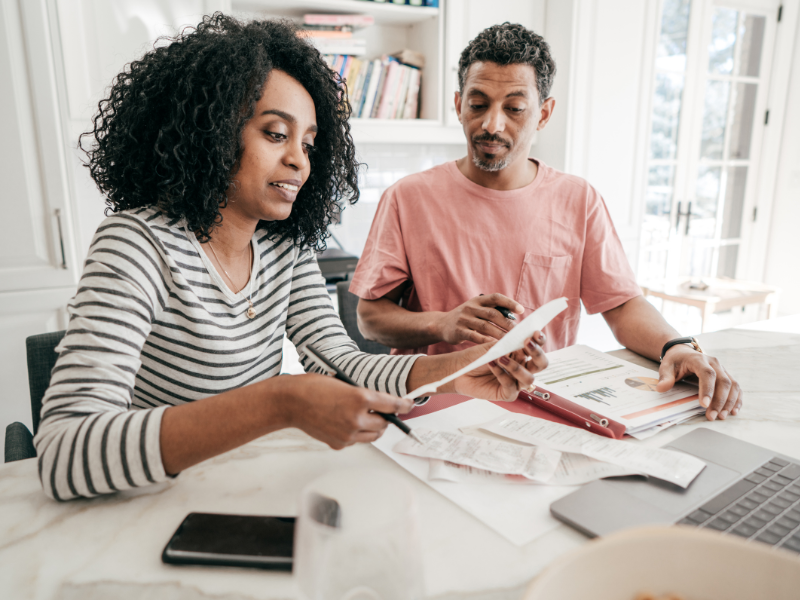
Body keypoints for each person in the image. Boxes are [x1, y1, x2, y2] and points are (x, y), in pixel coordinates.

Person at [34, 15, 548, 502]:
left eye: (309, 142)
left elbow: (340, 364)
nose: (299, 160)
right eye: (276, 134)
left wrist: (458, 369)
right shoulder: (137, 244)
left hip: (249, 485)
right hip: (155, 503)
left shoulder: (283, 246)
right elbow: (62, 451)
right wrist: (280, 402)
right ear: (209, 131)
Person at [351, 23, 742, 423]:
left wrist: (676, 346)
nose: (492, 125)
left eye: (514, 108)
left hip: (541, 412)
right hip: (432, 412)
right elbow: (370, 318)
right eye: (478, 103)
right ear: (458, 104)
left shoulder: (578, 199)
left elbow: (621, 305)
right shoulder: (407, 197)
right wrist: (443, 324)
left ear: (544, 113)